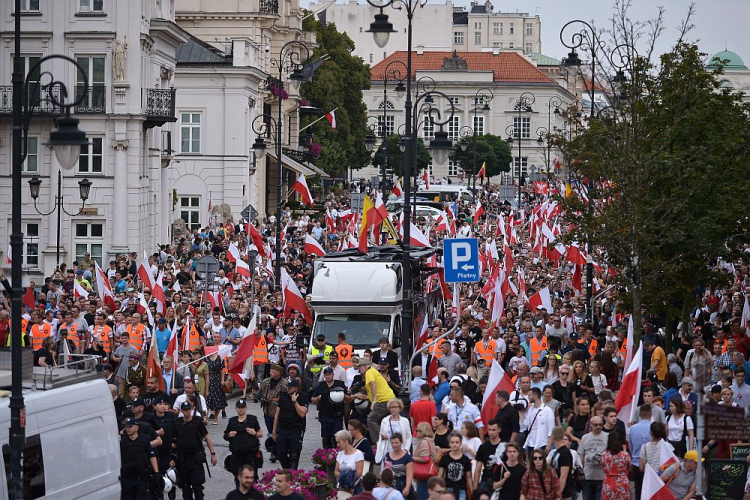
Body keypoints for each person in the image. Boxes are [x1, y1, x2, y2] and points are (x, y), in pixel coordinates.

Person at [173, 401, 217, 500]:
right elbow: (173, 442)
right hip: (183, 459)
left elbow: (207, 437)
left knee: (197, 486)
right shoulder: (177, 423)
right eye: (185, 410)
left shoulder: (197, 421)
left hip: (195, 458)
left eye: (189, 409)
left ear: (192, 409)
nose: (187, 412)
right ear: (181, 411)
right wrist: (171, 456)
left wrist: (213, 454)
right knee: (185, 487)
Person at [354, 357, 395, 448]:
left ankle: (379, 443)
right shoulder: (372, 371)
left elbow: (373, 384)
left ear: (365, 366)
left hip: (383, 401)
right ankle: (384, 441)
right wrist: (369, 397)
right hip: (387, 398)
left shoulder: (369, 372)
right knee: (381, 421)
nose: (359, 368)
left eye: (360, 366)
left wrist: (375, 400)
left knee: (371, 419)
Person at [119, 417, 159, 500]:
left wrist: (156, 472)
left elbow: (152, 456)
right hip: (128, 478)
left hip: (141, 477)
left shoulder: (144, 439)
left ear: (136, 428)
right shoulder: (122, 442)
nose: (128, 429)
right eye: (126, 427)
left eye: (130, 427)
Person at [273, 379, 308, 470]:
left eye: (291, 387)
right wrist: (274, 432)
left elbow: (302, 414)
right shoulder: (283, 396)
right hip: (283, 429)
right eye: (288, 387)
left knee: (294, 454)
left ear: (296, 388)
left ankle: (292, 474)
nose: (288, 389)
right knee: (280, 453)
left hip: (296, 429)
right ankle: (287, 470)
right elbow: (277, 414)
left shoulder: (303, 396)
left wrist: (294, 402)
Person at [224, 399, 263, 480]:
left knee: (252, 477)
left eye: (243, 407)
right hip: (237, 454)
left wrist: (254, 433)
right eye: (239, 407)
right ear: (236, 408)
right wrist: (229, 434)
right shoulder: (232, 421)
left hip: (250, 453)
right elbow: (225, 436)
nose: (241, 409)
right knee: (238, 477)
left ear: (246, 408)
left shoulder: (253, 419)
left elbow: (260, 434)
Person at [311, 366, 349, 448]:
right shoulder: (321, 386)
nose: (328, 376)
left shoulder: (340, 384)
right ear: (324, 376)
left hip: (337, 416)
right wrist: (320, 397)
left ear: (333, 375)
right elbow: (313, 400)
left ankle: (337, 456)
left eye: (329, 374)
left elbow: (348, 398)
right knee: (326, 438)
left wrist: (342, 395)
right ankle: (326, 456)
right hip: (325, 416)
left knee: (338, 438)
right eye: (326, 375)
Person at [578, 416, 607, 500]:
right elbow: (581, 456)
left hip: (602, 476)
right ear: (590, 425)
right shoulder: (585, 437)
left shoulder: (608, 437)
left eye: (600, 425)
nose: (598, 427)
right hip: (588, 476)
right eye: (595, 425)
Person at [438, 431, 473, 500]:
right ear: (449, 444)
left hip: (461, 489)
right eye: (452, 442)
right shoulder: (445, 458)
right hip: (447, 488)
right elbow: (440, 475)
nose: (454, 444)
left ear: (460, 443)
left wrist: (472, 491)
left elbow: (468, 477)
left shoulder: (465, 459)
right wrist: (438, 488)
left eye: (457, 442)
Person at [376, 398, 412, 464]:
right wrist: (383, 437)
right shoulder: (385, 420)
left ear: (400, 408)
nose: (393, 409)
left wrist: (406, 449)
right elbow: (380, 435)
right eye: (391, 407)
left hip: (401, 449)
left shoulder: (405, 421)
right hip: (388, 448)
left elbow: (409, 437)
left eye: (395, 407)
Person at [524, 387, 555, 459]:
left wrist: (549, 445)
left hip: (542, 443)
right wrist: (519, 412)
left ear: (534, 397)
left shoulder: (547, 410)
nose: (528, 398)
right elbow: (527, 424)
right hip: (530, 443)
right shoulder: (530, 409)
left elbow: (551, 430)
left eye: (529, 396)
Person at [383, 433, 414, 499]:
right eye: (392, 443)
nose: (394, 445)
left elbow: (409, 474)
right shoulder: (387, 456)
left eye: (396, 443)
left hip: (402, 486)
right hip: (390, 487)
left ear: (401, 442)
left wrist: (407, 488)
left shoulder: (407, 457)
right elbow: (384, 473)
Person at [600, 432, 630, 500]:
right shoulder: (625, 455)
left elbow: (603, 467)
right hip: (623, 483)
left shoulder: (603, 456)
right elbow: (629, 467)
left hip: (608, 483)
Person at [474, 419, 501, 491]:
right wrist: (475, 488)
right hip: (486, 480)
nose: (491, 432)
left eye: (493, 430)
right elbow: (478, 469)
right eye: (489, 430)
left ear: (499, 430)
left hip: (500, 480)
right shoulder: (483, 447)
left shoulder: (504, 446)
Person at [413, 422, 438, 500]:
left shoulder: (424, 442)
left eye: (417, 430)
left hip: (424, 474)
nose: (416, 432)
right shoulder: (430, 441)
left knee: (422, 496)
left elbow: (425, 458)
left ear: (422, 431)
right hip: (429, 474)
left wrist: (411, 458)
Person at [410, 383, 437, 450]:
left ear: (421, 392)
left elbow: (412, 423)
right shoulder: (432, 405)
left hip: (416, 433)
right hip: (428, 433)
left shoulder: (413, 405)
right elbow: (434, 422)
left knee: (416, 453)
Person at [549, 427, 573, 500]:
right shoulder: (557, 452)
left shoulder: (565, 453)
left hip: (564, 493)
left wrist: (558, 494)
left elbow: (563, 475)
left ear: (553, 437)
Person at [205, 347, 228, 424]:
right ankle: (206, 417)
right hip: (208, 379)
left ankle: (215, 418)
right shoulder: (206, 359)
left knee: (217, 398)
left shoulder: (219, 358)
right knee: (207, 398)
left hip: (217, 379)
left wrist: (222, 380)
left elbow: (222, 370)